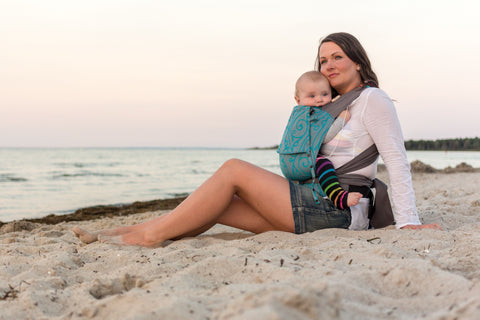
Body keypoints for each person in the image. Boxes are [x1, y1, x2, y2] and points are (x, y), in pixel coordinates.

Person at [73, 32, 440, 248]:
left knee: (234, 169)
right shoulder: (329, 105)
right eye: (322, 58)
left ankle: (146, 238)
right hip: (312, 201)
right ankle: (123, 233)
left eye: (337, 57)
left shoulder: (371, 99)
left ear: (358, 62)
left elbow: (396, 159)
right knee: (219, 203)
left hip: (336, 207)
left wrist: (408, 222)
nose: (328, 64)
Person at [293, 70, 362, 210]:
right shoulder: (308, 115)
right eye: (311, 96)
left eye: (325, 94)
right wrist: (342, 119)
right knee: (324, 163)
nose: (319, 99)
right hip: (302, 159)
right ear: (298, 100)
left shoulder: (307, 112)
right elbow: (322, 138)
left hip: (297, 161)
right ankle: (337, 196)